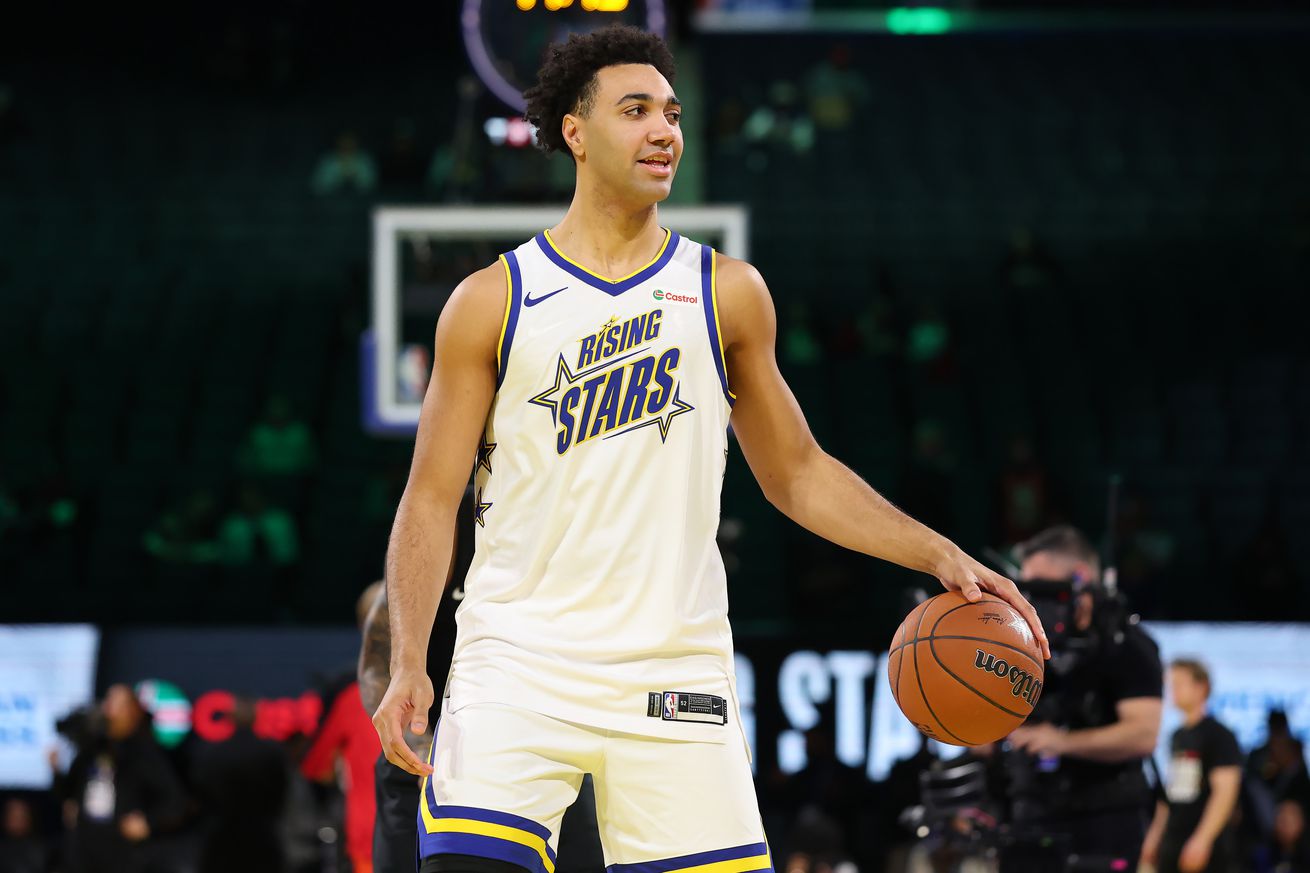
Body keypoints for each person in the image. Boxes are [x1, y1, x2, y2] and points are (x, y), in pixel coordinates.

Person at [370, 24, 1048, 873]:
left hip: (674, 669)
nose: (664, 130)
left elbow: (798, 474)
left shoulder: (726, 291)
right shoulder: (490, 300)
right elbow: (431, 497)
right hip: (517, 662)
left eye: (673, 112)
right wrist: (408, 663)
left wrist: (941, 552)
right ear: (574, 133)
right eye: (636, 110)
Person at [1005, 525, 1163, 867]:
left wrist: (1060, 742)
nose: (1036, 603)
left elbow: (1143, 735)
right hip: (1030, 814)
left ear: (1081, 579)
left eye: (1047, 590)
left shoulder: (1130, 646)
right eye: (1029, 590)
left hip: (1103, 824)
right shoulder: (1024, 647)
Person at [56, 684, 189, 873]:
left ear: (134, 712)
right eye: (109, 702)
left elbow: (176, 800)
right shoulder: (93, 747)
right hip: (85, 848)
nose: (110, 710)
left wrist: (149, 822)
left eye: (118, 704)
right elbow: (71, 789)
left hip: (125, 853)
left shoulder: (145, 751)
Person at [302, 584, 386, 873]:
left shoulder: (351, 695)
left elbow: (317, 767)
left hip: (373, 842)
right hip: (440, 833)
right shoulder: (452, 680)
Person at [1142, 660, 1242, 873]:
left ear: (1201, 687)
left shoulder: (1219, 735)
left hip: (1204, 846)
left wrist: (1203, 839)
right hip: (1174, 840)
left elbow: (1225, 791)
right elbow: (1170, 793)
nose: (1173, 690)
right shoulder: (1177, 736)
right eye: (1171, 684)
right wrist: (1154, 837)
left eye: (1179, 683)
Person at [191, 696, 290, 873]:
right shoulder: (270, 752)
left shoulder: (214, 753)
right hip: (261, 838)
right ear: (255, 718)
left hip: (222, 838)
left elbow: (200, 793)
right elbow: (281, 792)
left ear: (231, 718)